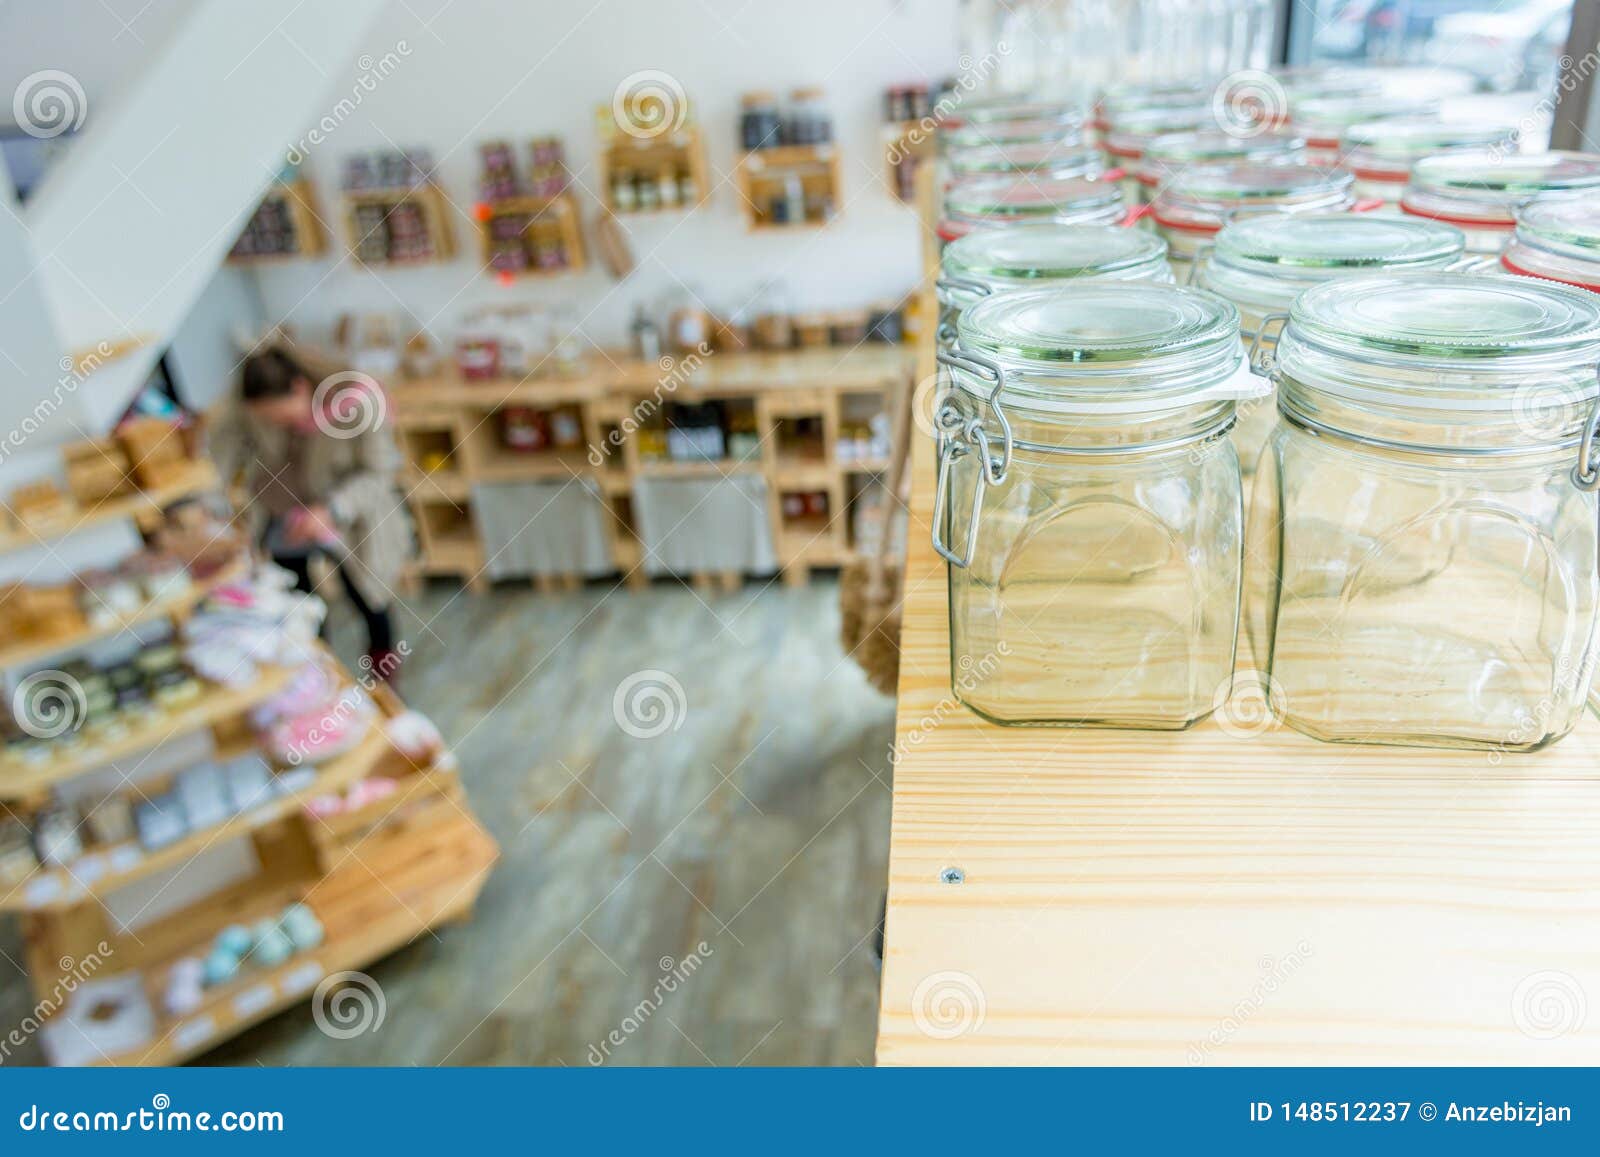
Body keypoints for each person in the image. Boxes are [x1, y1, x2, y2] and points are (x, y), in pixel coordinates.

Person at [219, 346, 413, 677]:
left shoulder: (359, 403)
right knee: (298, 603)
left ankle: (383, 681)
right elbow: (225, 453)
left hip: (353, 516)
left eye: (281, 416)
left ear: (299, 387)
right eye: (269, 421)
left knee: (369, 595)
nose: (278, 424)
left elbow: (380, 473)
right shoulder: (249, 412)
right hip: (288, 511)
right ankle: (318, 674)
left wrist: (332, 510)